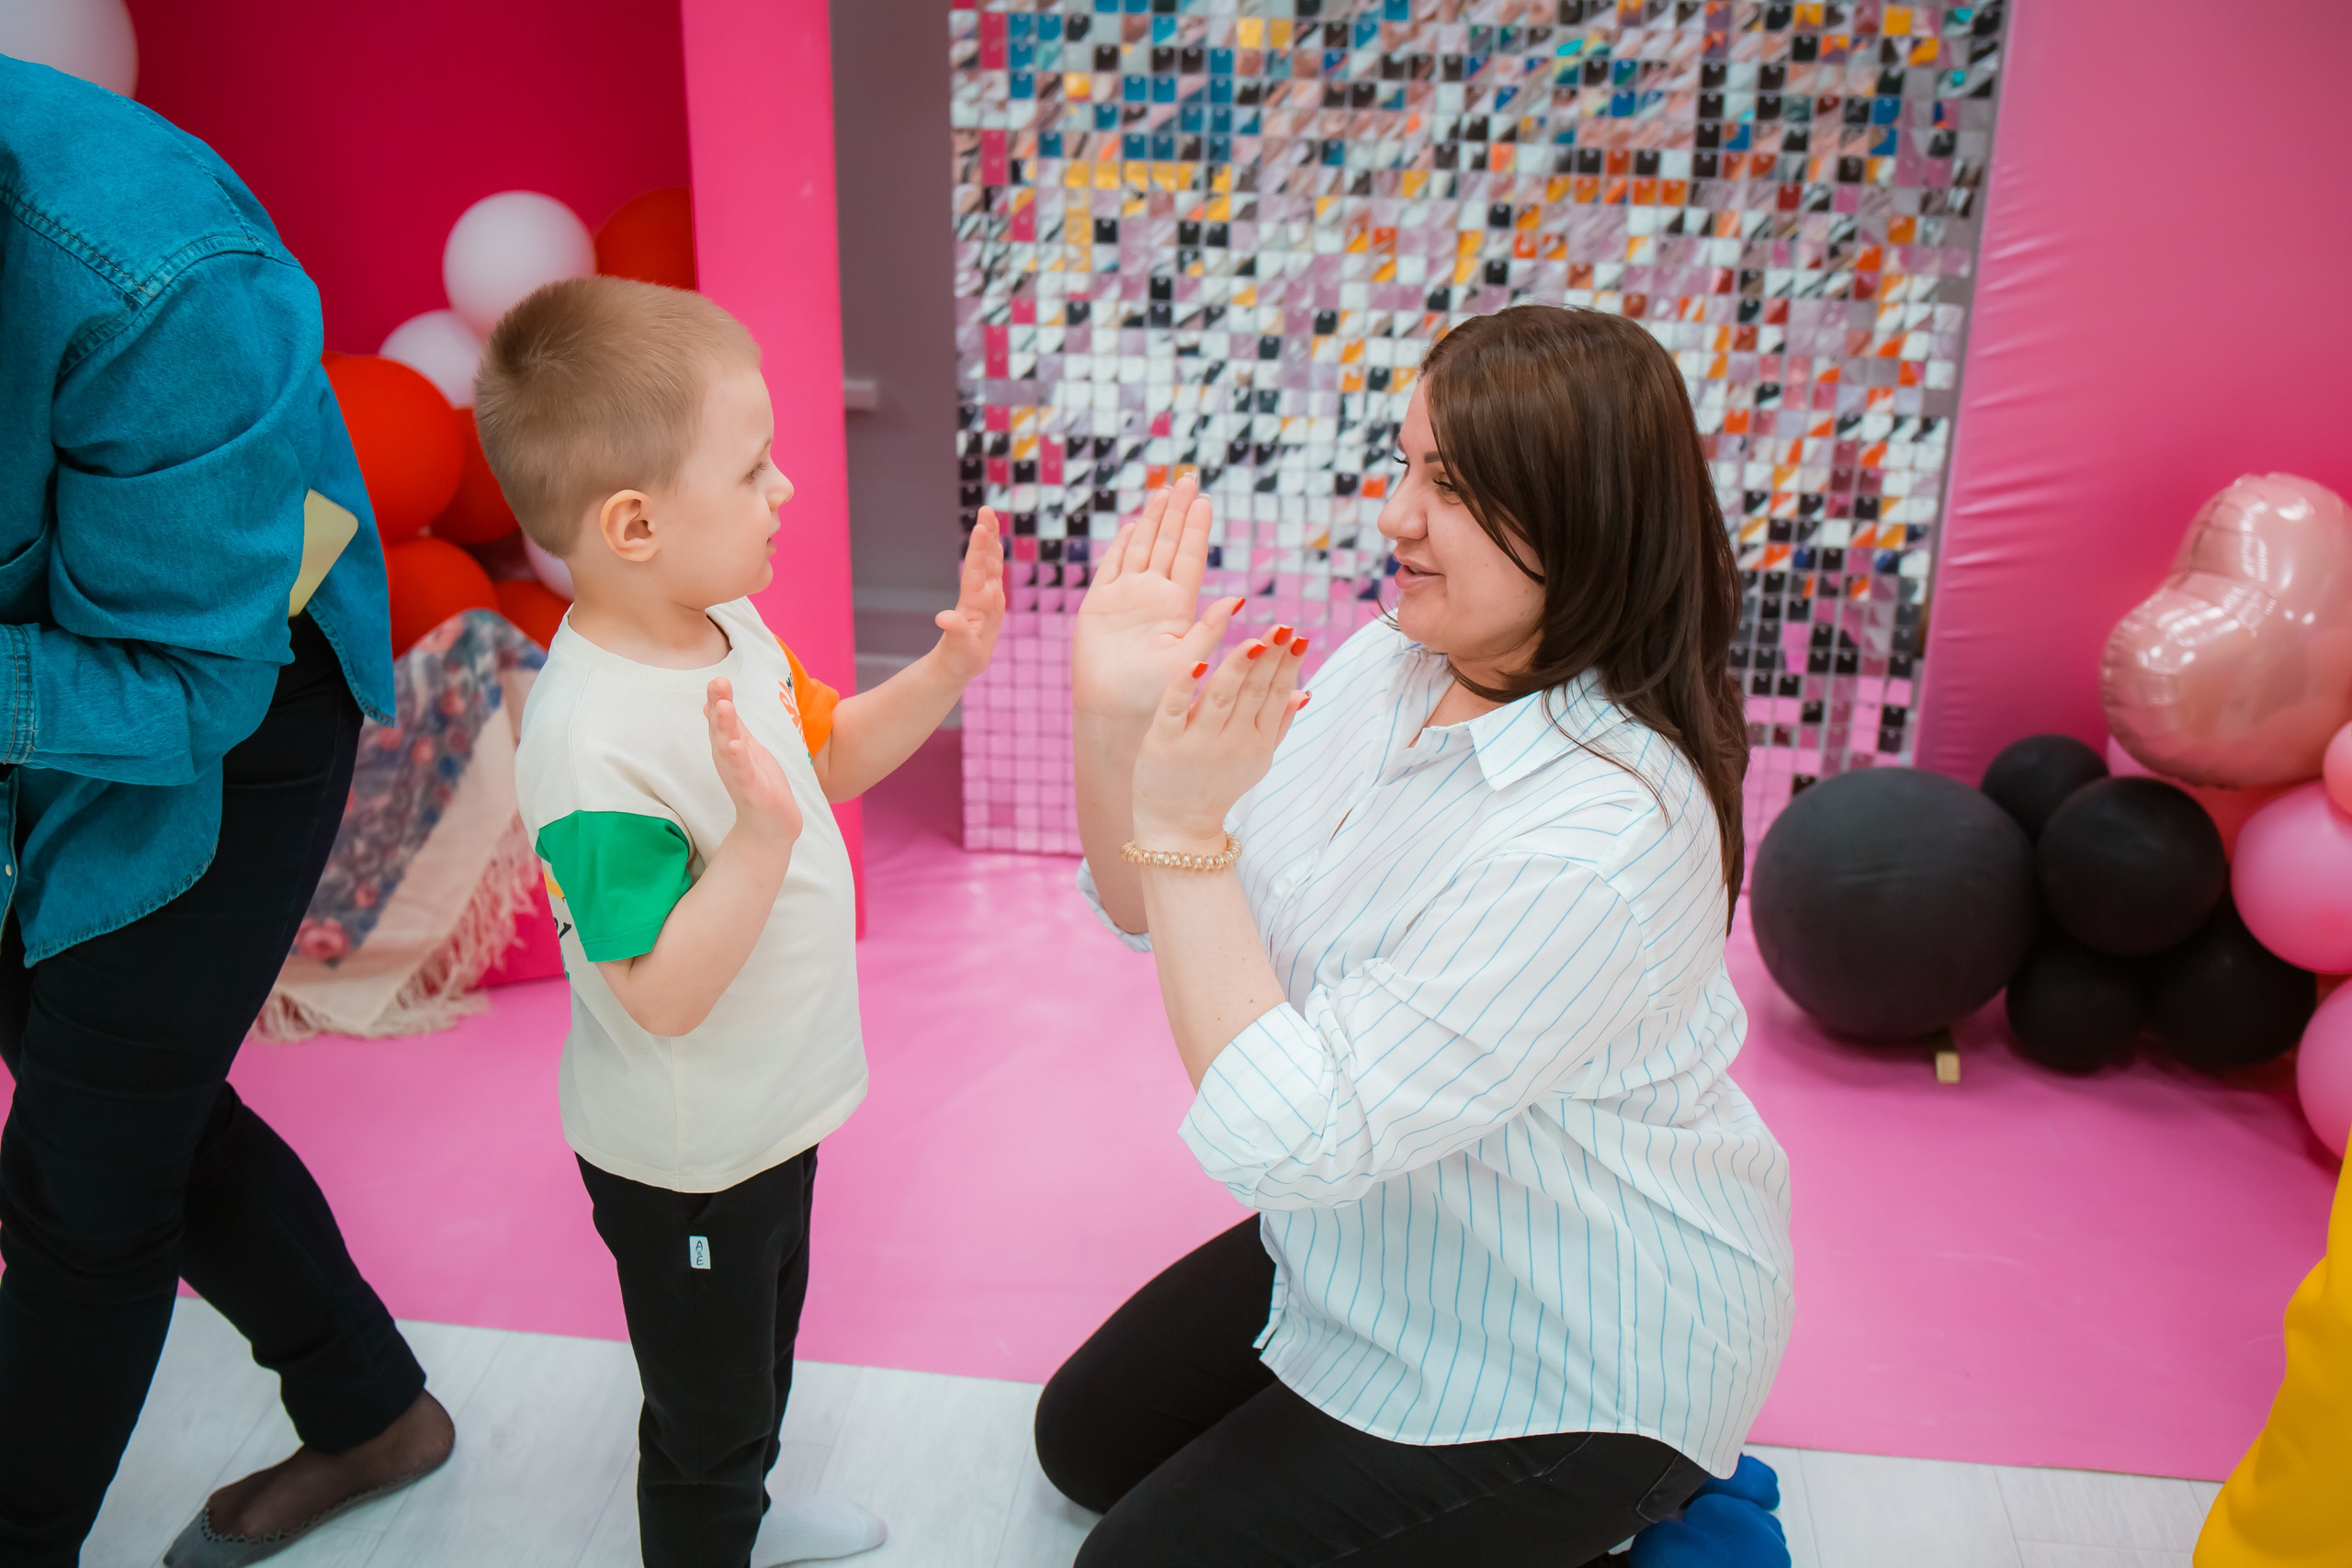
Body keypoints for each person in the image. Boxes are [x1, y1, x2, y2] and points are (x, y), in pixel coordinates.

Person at [1036, 304, 1796, 1566]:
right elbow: (1143, 909)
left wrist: (1188, 833)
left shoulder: (1599, 838)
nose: (1393, 515)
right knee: (1083, 1445)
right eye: (1404, 465)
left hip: (1567, 1342)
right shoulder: (1387, 665)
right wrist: (1113, 717)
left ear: (1579, 518)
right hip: (1381, 1224)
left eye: (1447, 485)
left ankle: (1652, 1497)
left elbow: (1289, 1135)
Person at [0, 56, 456, 1567]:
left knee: (87, 1165)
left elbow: (187, 688)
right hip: (60, 666)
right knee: (119, 1091)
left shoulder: (157, 274)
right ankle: (373, 1409)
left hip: (225, 690)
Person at [480, 275, 1003, 1568]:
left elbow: (819, 756)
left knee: (762, 1352)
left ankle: (750, 1503)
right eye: (756, 468)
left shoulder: (725, 628)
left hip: (769, 1115)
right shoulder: (595, 740)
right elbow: (657, 989)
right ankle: (721, 1520)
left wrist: (945, 669)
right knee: (704, 1422)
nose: (786, 491)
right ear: (637, 524)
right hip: (687, 1157)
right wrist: (764, 844)